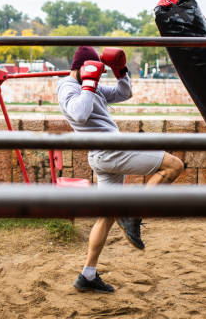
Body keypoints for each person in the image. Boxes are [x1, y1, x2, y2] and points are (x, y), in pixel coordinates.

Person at [56, 45, 184, 293]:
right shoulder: (68, 88)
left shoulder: (88, 84)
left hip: (106, 154)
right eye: (94, 71)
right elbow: (79, 115)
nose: (97, 76)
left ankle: (88, 275)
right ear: (82, 69)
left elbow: (124, 93)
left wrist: (120, 70)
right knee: (173, 165)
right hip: (110, 152)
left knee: (107, 216)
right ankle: (133, 212)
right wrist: (89, 83)